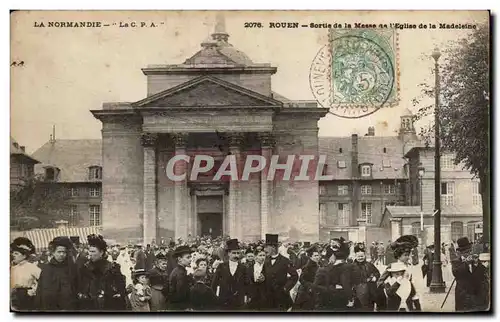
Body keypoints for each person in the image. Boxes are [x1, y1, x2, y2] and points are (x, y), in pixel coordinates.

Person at [77, 234, 127, 311]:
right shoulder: (84, 269)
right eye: (89, 251)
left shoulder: (113, 269)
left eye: (93, 251)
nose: (90, 254)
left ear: (101, 252)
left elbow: (121, 290)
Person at [376, 235, 421, 312]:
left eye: (408, 255)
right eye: (405, 255)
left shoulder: (409, 266)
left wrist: (415, 298)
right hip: (394, 297)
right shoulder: (392, 266)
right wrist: (389, 287)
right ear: (398, 256)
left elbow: (410, 282)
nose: (408, 257)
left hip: (408, 296)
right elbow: (380, 281)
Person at [34, 237, 78, 311]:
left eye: (64, 252)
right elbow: (40, 290)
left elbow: (74, 288)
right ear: (53, 253)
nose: (61, 254)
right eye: (59, 252)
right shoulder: (47, 269)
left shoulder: (71, 268)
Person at [313, 237, 354, 311]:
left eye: (334, 242)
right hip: (331, 267)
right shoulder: (328, 249)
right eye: (331, 242)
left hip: (342, 267)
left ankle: (350, 298)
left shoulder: (342, 249)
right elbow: (325, 256)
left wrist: (338, 252)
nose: (332, 244)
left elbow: (345, 254)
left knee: (345, 282)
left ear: (338, 243)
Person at [451, 237, 489, 312]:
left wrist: (476, 263)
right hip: (463, 295)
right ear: (460, 252)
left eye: (469, 251)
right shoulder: (456, 262)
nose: (468, 253)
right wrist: (466, 263)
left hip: (477, 296)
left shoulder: (475, 260)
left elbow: (483, 273)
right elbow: (456, 273)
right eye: (465, 251)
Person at [262, 234, 299, 311]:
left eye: (266, 247)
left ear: (273, 247)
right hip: (268, 298)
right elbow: (264, 275)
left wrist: (286, 288)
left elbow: (294, 276)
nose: (264, 249)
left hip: (281, 298)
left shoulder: (285, 261)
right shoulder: (266, 260)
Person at [211, 239, 249, 311]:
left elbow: (247, 283)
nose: (236, 255)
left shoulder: (243, 268)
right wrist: (214, 298)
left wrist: (245, 297)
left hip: (238, 302)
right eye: (234, 253)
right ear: (229, 253)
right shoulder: (221, 267)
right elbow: (214, 283)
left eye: (238, 253)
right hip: (224, 301)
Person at [10, 237, 41, 311]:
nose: (13, 255)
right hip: (14, 296)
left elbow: (44, 280)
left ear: (24, 256)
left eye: (16, 253)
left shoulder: (31, 267)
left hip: (27, 296)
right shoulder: (13, 268)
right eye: (13, 253)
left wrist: (33, 291)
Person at [351, 243, 380, 311]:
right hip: (357, 291)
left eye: (362, 256)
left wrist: (375, 277)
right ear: (355, 257)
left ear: (365, 256)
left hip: (370, 290)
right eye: (359, 256)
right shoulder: (351, 266)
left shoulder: (369, 265)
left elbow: (377, 272)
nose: (361, 258)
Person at [293, 245, 321, 311]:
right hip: (306, 293)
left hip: (312, 291)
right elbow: (301, 279)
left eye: (318, 255)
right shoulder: (308, 267)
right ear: (310, 257)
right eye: (315, 256)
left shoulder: (317, 265)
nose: (318, 257)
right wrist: (310, 287)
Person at [168, 245, 193, 311]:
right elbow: (181, 295)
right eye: (188, 257)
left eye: (190, 257)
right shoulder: (180, 273)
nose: (190, 259)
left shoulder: (177, 270)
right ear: (179, 259)